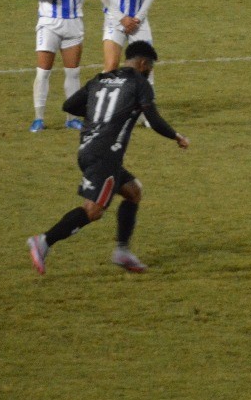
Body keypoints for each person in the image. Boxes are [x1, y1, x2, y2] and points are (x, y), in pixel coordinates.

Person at [27, 40, 189, 276]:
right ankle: (43, 241)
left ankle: (122, 251)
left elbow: (69, 105)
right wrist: (176, 136)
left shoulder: (101, 79)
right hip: (105, 155)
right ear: (143, 64)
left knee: (133, 191)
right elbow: (153, 119)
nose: (149, 72)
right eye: (150, 67)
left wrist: (98, 113)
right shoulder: (139, 82)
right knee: (93, 210)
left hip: (88, 149)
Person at [15, 0, 100, 132]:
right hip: (49, 24)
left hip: (74, 23)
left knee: (73, 73)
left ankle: (72, 118)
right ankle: (39, 118)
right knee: (43, 72)